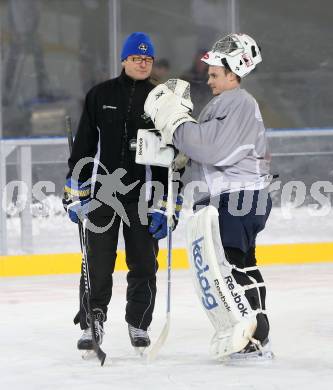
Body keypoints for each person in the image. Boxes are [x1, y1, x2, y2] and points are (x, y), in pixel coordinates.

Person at [144, 33, 273, 358]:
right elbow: (213, 146)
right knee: (241, 263)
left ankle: (254, 333)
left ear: (233, 74)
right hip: (242, 196)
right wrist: (184, 152)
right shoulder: (231, 104)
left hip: (238, 197)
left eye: (215, 74)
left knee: (232, 265)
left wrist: (176, 123)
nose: (209, 79)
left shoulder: (237, 102)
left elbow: (211, 146)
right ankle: (256, 330)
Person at [63, 32, 173, 352]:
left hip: (141, 195)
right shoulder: (99, 95)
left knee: (143, 264)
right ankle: (92, 321)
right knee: (97, 262)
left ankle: (138, 323)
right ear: (124, 60)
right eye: (137, 58)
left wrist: (164, 204)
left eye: (148, 59)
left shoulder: (160, 99)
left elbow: (166, 158)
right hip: (102, 192)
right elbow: (84, 145)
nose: (142, 63)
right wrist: (75, 189)